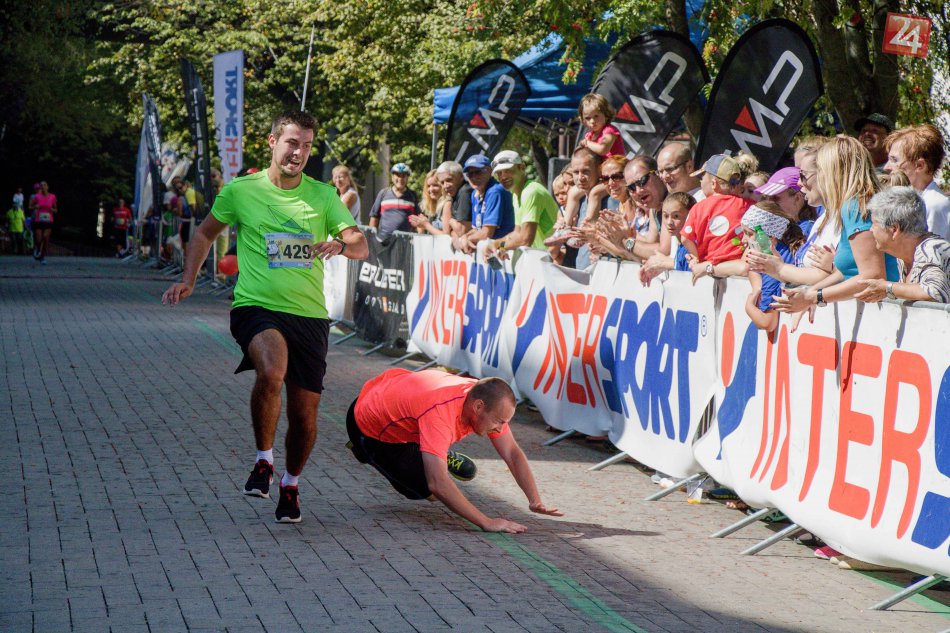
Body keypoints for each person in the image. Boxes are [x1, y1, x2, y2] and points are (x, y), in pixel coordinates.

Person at [162, 110, 369, 524]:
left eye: (307, 146)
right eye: (292, 143)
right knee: (272, 370)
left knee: (304, 416)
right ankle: (263, 459)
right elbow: (204, 233)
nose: (299, 153)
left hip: (309, 315)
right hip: (255, 306)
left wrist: (340, 245)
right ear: (273, 142)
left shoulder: (323, 195)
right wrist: (189, 279)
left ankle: (290, 484)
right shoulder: (241, 190)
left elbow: (360, 244)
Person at [346, 368, 562, 533]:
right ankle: (432, 454)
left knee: (433, 463)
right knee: (429, 493)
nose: (500, 428)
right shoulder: (440, 415)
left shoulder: (485, 396)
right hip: (369, 429)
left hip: (393, 397)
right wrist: (486, 522)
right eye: (499, 421)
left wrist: (535, 500)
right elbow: (438, 484)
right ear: (478, 407)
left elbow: (512, 453)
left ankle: (434, 452)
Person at [771, 136, 900, 313]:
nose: (800, 182)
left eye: (805, 175)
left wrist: (813, 297)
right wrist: (809, 293)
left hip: (884, 313)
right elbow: (845, 272)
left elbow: (872, 276)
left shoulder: (856, 206)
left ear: (831, 172)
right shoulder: (852, 204)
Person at [855, 186, 950, 303]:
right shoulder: (904, 257)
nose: (871, 230)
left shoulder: (932, 248)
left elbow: (935, 293)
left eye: (874, 223)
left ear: (894, 229)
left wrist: (887, 288)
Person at [681, 154, 752, 283]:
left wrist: (696, 258)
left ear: (714, 184)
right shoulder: (748, 205)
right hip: (737, 271)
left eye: (702, 177)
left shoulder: (698, 207)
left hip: (708, 272)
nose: (700, 182)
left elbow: (685, 238)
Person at [883, 123, 949, 240]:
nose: (886, 167)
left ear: (920, 165)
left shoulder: (933, 205)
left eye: (894, 160)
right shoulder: (913, 201)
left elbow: (933, 251)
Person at [488, 150, 558, 252]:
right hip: (545, 256)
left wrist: (500, 246)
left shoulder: (531, 191)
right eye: (499, 173)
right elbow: (517, 233)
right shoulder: (516, 195)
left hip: (557, 257)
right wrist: (497, 244)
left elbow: (525, 240)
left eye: (508, 170)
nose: (503, 177)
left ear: (522, 168)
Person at [455, 154, 514, 254]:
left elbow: (486, 233)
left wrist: (466, 240)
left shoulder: (495, 191)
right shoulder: (475, 193)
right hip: (491, 250)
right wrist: (465, 237)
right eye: (470, 174)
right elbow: (477, 229)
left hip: (505, 249)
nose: (473, 177)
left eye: (478, 172)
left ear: (490, 171)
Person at [369, 162, 421, 241]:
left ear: (407, 178)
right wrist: (371, 239)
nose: (400, 179)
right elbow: (374, 218)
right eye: (398, 175)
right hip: (383, 241)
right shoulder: (383, 193)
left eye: (403, 176)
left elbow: (419, 220)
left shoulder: (412, 196)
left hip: (404, 243)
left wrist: (420, 239)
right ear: (392, 177)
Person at [576, 93, 625, 158]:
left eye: (596, 116)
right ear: (583, 120)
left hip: (615, 163)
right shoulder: (589, 136)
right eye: (588, 118)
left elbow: (603, 150)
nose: (592, 121)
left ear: (606, 115)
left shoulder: (610, 131)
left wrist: (587, 143)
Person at [29, 181, 57, 264]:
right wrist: (35, 206)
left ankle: (43, 257)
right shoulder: (36, 196)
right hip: (39, 220)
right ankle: (38, 248)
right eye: (41, 185)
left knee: (45, 237)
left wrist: (52, 209)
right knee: (39, 239)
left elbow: (56, 209)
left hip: (48, 220)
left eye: (44, 185)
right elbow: (30, 206)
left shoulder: (52, 196)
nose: (43, 186)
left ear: (47, 187)